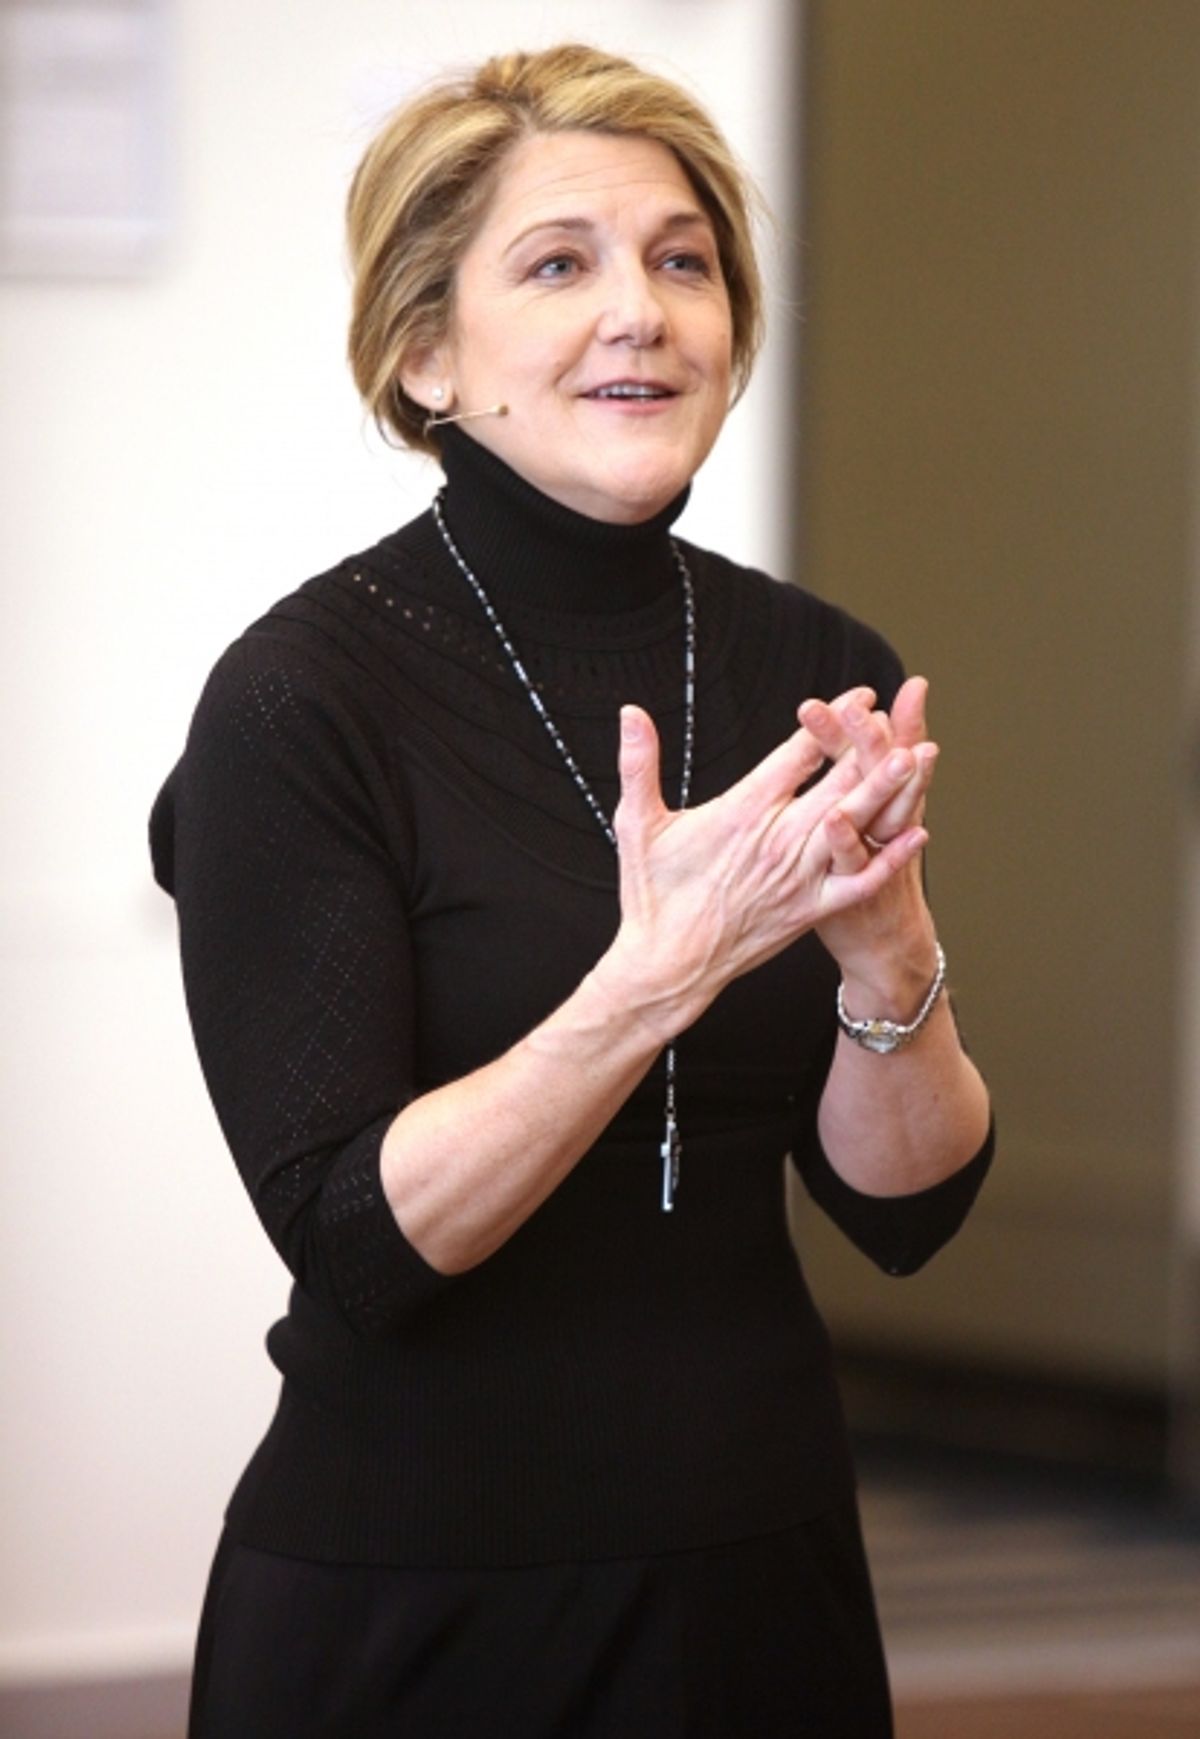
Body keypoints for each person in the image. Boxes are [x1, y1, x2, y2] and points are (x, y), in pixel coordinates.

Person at [151, 42, 993, 1739]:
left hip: (765, 1574)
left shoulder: (817, 668)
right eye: (560, 263)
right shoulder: (301, 703)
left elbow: (909, 1218)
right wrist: (656, 973)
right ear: (423, 353)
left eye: (684, 260)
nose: (644, 312)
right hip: (416, 1600)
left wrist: (886, 955)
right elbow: (361, 1245)